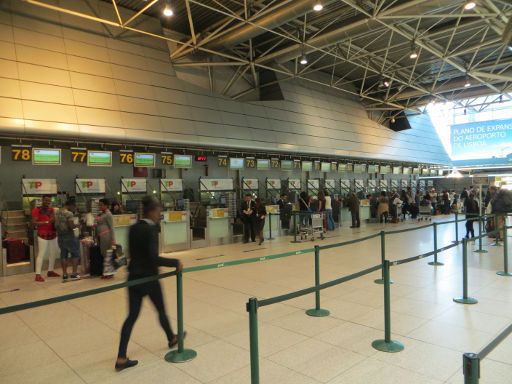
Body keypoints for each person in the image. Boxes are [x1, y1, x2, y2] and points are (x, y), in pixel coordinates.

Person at [116, 196, 183, 372]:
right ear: (152, 212)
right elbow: (153, 257)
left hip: (133, 277)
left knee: (131, 316)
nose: (159, 216)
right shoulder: (151, 230)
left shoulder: (133, 228)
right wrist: (175, 263)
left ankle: (121, 357)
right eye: (159, 212)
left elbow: (132, 253)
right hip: (149, 278)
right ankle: (171, 338)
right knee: (161, 310)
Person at [32, 195, 60, 282]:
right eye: (46, 200)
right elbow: (34, 223)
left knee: (53, 253)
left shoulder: (52, 210)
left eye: (49, 201)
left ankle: (50, 271)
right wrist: (47, 222)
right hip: (42, 234)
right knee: (41, 254)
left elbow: (54, 221)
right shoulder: (36, 210)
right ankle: (37, 274)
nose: (48, 202)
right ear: (42, 200)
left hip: (53, 234)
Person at [55, 200, 81, 281]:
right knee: (75, 254)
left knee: (63, 255)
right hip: (70, 236)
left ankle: (65, 274)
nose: (74, 209)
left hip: (60, 237)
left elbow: (55, 225)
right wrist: (78, 225)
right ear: (70, 205)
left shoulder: (57, 212)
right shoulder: (69, 213)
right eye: (74, 207)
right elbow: (71, 226)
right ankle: (74, 273)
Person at [96, 198, 116, 279]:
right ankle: (107, 272)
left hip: (107, 237)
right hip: (102, 237)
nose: (99, 206)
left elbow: (111, 227)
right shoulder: (101, 214)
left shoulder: (108, 214)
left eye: (101, 205)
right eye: (99, 205)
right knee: (104, 254)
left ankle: (109, 273)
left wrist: (113, 239)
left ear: (106, 205)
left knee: (108, 255)